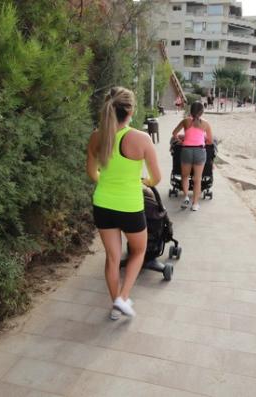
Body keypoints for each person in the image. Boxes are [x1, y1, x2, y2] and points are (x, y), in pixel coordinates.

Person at [86, 87, 161, 320]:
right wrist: (144, 183)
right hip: (130, 206)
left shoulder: (96, 136)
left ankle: (115, 306)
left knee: (112, 257)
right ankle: (122, 297)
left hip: (103, 204)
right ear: (130, 111)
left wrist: (107, 184)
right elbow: (156, 178)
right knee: (138, 251)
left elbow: (92, 173)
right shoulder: (141, 139)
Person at [171, 101, 213, 212]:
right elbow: (210, 141)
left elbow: (174, 133)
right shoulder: (205, 124)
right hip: (200, 151)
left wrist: (181, 140)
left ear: (190, 111)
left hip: (186, 151)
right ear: (202, 112)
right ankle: (195, 204)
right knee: (197, 179)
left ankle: (185, 197)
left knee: (185, 176)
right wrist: (202, 139)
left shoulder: (185, 121)